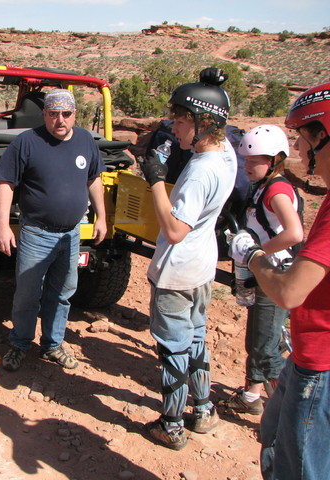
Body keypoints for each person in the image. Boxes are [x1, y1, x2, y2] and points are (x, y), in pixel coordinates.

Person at [230, 82, 330, 480]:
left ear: (324, 134)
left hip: (318, 362)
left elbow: (290, 291)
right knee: (274, 438)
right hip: (307, 353)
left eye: (306, 139)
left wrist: (253, 255)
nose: (302, 150)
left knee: (301, 465)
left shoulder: (278, 190)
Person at [137, 68, 237, 450]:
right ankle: (204, 410)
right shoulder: (225, 155)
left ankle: (172, 424)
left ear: (202, 122)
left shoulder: (199, 172)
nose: (173, 128)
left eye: (180, 121)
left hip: (177, 271)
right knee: (195, 338)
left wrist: (156, 181)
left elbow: (176, 230)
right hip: (202, 266)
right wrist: (212, 88)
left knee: (173, 347)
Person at [0, 89, 107, 372]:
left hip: (72, 232)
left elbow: (94, 179)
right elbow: (5, 183)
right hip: (36, 233)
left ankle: (53, 345)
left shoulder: (85, 141)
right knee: (28, 293)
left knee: (63, 292)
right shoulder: (27, 142)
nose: (60, 120)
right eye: (53, 114)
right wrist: (3, 225)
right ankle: (19, 344)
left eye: (66, 114)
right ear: (44, 114)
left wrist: (102, 216)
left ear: (75, 115)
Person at [219, 125, 303, 415]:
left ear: (276, 160)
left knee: (265, 348)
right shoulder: (263, 188)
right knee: (258, 337)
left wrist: (254, 253)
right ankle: (252, 396)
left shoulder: (276, 190)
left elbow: (294, 233)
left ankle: (290, 412)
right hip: (263, 275)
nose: (248, 166)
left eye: (256, 160)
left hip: (274, 274)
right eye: (246, 160)